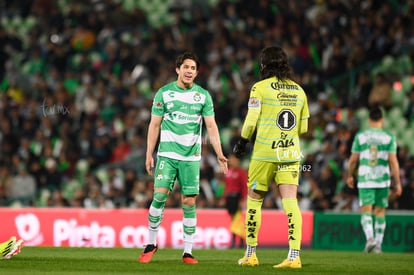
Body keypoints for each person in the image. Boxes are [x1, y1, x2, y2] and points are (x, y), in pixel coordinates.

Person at [139, 51, 228, 264]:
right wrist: (149, 153)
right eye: (186, 67)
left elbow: (211, 126)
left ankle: (187, 252)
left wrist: (219, 153)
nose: (189, 71)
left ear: (197, 73)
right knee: (159, 197)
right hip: (167, 155)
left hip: (190, 158)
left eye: (193, 68)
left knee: (188, 202)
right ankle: (151, 243)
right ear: (178, 69)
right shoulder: (164, 93)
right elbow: (154, 124)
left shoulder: (203, 96)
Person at [233, 45, 309, 269]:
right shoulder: (299, 91)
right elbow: (303, 128)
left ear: (263, 65)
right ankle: (294, 257)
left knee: (254, 201)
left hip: (265, 153)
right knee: (290, 203)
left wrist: (242, 142)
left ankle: (251, 254)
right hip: (290, 153)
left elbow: (251, 119)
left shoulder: (259, 88)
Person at [346, 106, 402, 253]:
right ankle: (378, 245)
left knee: (366, 210)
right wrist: (398, 182)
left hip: (365, 178)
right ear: (382, 120)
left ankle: (370, 238)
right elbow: (393, 162)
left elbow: (353, 160)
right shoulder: (389, 137)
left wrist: (350, 175)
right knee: (380, 212)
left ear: (369, 120)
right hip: (383, 179)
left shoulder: (361, 136)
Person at [221, 152, 247, 248]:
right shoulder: (229, 172)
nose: (231, 162)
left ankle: (238, 241)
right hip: (229, 198)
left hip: (237, 197)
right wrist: (224, 198)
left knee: (237, 219)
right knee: (233, 219)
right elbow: (226, 186)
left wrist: (243, 200)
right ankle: (236, 240)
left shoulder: (241, 172)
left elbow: (244, 187)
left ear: (237, 161)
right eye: (230, 160)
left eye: (233, 160)